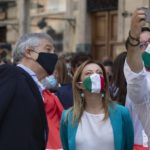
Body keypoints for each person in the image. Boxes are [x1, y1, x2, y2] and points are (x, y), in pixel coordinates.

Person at [0, 33, 58, 149]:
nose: (54, 55)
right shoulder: (11, 73)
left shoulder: (33, 84)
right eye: (48, 49)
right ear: (29, 52)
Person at [60, 60, 134, 150]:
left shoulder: (122, 113)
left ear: (105, 82)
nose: (95, 76)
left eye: (99, 73)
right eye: (88, 73)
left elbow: (128, 146)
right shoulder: (68, 116)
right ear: (79, 85)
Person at [124, 8, 150, 148]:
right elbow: (136, 77)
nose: (147, 48)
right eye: (142, 45)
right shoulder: (137, 79)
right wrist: (134, 34)